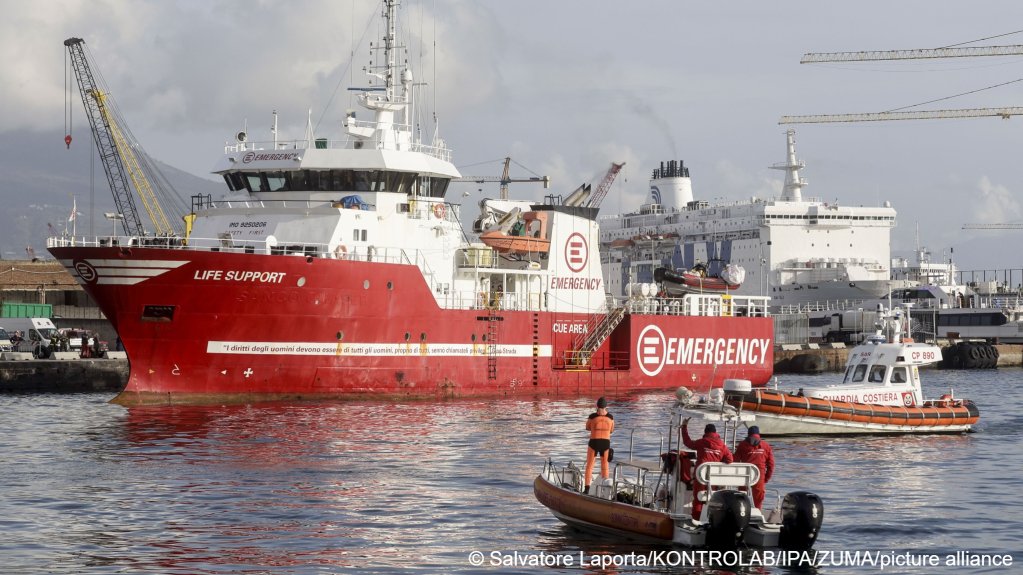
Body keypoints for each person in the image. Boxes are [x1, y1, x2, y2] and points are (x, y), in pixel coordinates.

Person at [681, 417, 733, 520]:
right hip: (714, 478)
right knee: (711, 499)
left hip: (700, 477)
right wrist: (720, 460)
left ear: (705, 432)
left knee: (698, 500)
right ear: (715, 433)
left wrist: (684, 427)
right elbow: (730, 459)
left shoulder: (702, 442)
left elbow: (688, 443)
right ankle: (710, 519)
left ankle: (696, 519)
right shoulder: (722, 445)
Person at [734, 425, 775, 509]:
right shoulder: (766, 446)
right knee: (758, 500)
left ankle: (742, 513)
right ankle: (757, 513)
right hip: (759, 476)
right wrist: (765, 479)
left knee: (742, 498)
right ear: (758, 434)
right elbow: (771, 465)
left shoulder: (742, 445)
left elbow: (735, 461)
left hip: (744, 476)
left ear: (748, 434)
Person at [584, 397, 615, 493]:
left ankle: (587, 488)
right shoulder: (610, 417)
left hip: (594, 442)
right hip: (605, 443)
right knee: (605, 465)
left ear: (597, 406)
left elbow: (587, 427)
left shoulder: (592, 416)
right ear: (606, 406)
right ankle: (605, 490)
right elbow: (612, 430)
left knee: (589, 466)